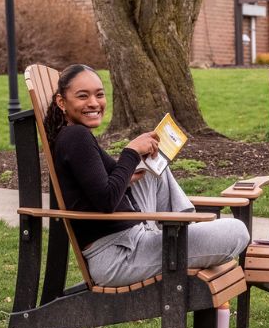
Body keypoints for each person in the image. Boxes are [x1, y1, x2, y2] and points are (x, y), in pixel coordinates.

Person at [43, 64, 250, 287]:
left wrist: (134, 164)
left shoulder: (72, 135)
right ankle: (178, 233)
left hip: (131, 238)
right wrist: (131, 152)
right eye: (83, 96)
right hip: (119, 256)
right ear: (61, 102)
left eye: (99, 95)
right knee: (236, 231)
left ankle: (179, 231)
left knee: (153, 170)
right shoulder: (76, 136)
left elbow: (103, 182)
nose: (94, 103)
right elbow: (106, 200)